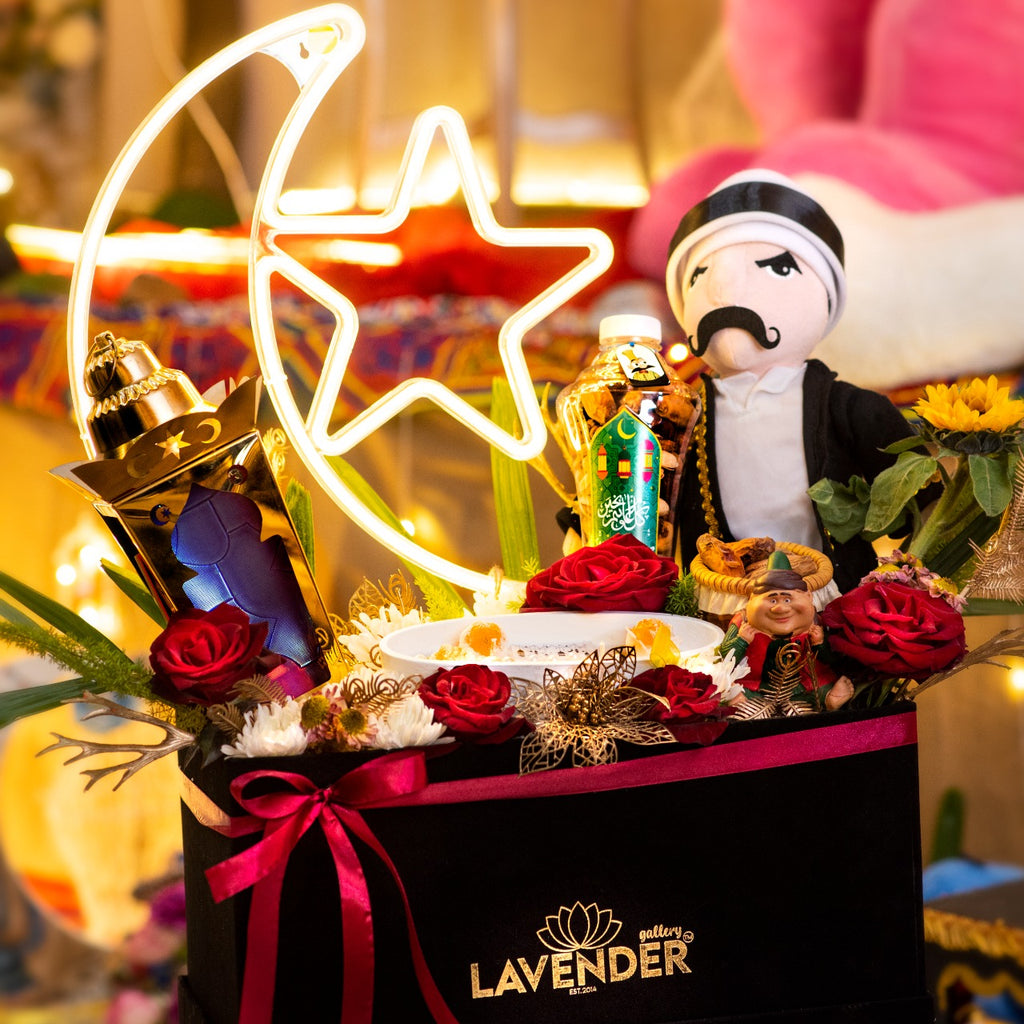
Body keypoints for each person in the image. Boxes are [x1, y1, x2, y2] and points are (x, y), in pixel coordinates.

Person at [666, 169, 920, 592]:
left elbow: (921, 497)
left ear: (825, 301)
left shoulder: (851, 409)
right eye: (700, 273)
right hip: (719, 604)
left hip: (832, 599)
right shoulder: (678, 417)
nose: (724, 289)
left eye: (778, 267)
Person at [719, 552, 852, 715]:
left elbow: (831, 659)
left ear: (808, 596)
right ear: (752, 598)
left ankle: (830, 700)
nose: (780, 608)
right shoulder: (742, 623)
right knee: (734, 691)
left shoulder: (815, 622)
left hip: (804, 684)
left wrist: (820, 643)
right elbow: (724, 657)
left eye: (787, 599)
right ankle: (742, 703)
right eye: (772, 600)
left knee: (820, 689)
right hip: (755, 684)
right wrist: (741, 640)